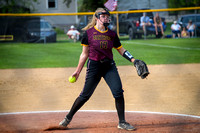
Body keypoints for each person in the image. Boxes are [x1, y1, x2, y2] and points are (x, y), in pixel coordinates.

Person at [59, 8, 139, 131]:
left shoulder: (112, 34)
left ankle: (122, 122)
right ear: (97, 18)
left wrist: (134, 60)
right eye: (104, 16)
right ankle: (68, 118)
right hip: (94, 67)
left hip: (109, 67)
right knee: (85, 95)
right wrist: (78, 71)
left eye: (108, 16)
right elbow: (84, 54)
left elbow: (121, 50)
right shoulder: (89, 33)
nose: (106, 18)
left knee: (118, 92)